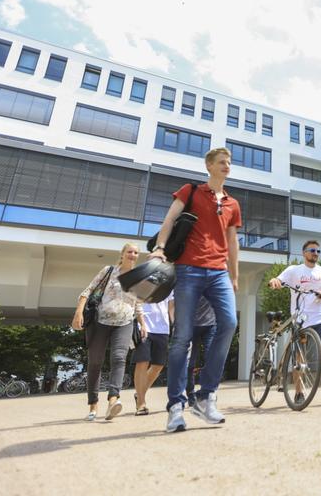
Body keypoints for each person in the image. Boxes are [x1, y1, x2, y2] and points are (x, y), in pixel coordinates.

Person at [150, 147, 241, 433]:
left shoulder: (232, 203)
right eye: (222, 162)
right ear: (209, 166)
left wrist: (234, 276)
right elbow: (169, 220)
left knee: (229, 322)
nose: (227, 165)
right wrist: (159, 248)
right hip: (189, 269)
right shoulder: (190, 191)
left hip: (218, 272)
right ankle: (176, 406)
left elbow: (232, 241)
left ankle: (205, 396)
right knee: (182, 339)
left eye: (229, 162)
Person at [71, 243, 148, 421]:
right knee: (95, 362)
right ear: (122, 254)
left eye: (136, 252)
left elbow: (138, 304)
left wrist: (143, 324)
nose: (133, 254)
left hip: (125, 323)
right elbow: (87, 291)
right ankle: (93, 404)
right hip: (100, 322)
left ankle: (113, 400)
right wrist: (78, 312)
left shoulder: (138, 278)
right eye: (130, 251)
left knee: (119, 358)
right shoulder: (109, 270)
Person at [268, 240, 321, 405]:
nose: (315, 253)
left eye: (318, 251)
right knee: (299, 356)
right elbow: (276, 280)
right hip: (301, 318)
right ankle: (299, 393)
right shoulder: (294, 270)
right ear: (304, 252)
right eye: (312, 250)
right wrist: (274, 282)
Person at [132, 293, 174, 415]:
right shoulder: (144, 276)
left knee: (158, 365)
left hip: (162, 328)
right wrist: (142, 323)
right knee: (142, 361)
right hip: (143, 325)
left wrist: (174, 323)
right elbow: (137, 300)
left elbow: (171, 306)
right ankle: (141, 403)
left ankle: (139, 393)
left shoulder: (170, 282)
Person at [186, 296, 217, 408]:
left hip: (210, 324)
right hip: (190, 325)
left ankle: (208, 392)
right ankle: (190, 394)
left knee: (211, 360)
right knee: (190, 363)